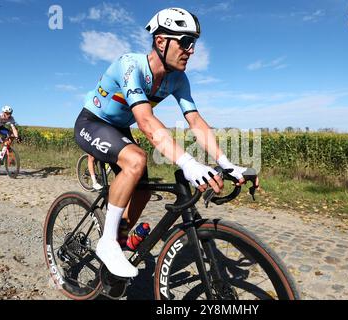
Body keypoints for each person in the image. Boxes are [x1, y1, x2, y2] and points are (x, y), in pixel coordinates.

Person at [74, 7, 258, 278]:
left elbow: (196, 121)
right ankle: (107, 243)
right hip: (92, 122)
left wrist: (226, 163)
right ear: (161, 41)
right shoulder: (130, 65)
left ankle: (120, 238)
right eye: (185, 41)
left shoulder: (178, 79)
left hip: (119, 128)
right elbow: (147, 123)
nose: (191, 50)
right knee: (136, 160)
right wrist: (189, 163)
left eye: (193, 43)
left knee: (144, 190)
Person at [0, 106, 20, 172]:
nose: (9, 115)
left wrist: (17, 137)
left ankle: (3, 151)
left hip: (0, 126)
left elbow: (13, 129)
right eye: (7, 113)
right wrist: (0, 139)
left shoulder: (11, 118)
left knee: (12, 135)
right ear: (3, 113)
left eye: (10, 113)